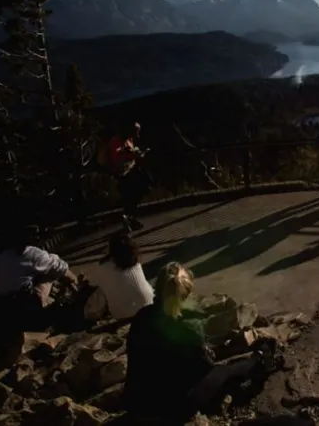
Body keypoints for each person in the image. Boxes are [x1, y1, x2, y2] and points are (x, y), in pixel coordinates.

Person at [125, 262, 273, 422]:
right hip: (169, 410)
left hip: (136, 400)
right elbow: (206, 368)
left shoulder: (141, 316)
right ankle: (259, 360)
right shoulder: (190, 329)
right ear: (185, 296)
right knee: (223, 371)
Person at [0, 224, 79, 338]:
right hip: (16, 312)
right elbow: (61, 268)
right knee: (50, 274)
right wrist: (74, 279)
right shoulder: (30, 253)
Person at [85, 232, 154, 321]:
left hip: (123, 314)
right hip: (147, 305)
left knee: (100, 290)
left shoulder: (105, 266)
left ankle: (91, 315)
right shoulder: (135, 262)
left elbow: (91, 283)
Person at [106, 123, 147, 230]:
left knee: (136, 194)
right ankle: (129, 218)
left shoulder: (129, 140)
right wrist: (133, 155)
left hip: (129, 171)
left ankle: (130, 218)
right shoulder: (116, 141)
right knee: (129, 196)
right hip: (120, 174)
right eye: (136, 132)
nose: (137, 135)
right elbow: (117, 158)